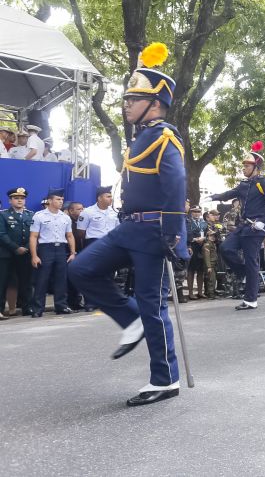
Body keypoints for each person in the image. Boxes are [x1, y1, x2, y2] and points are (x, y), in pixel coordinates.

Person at [68, 42, 189, 406]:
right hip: (129, 228)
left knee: (152, 303)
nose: (126, 104)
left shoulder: (165, 137)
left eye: (134, 99)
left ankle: (165, 379)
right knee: (82, 269)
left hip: (153, 232)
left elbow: (175, 187)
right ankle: (130, 320)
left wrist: (174, 237)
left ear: (155, 103)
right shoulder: (142, 137)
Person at [208, 140, 265, 311]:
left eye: (247, 166)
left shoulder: (263, 182)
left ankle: (251, 299)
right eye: (243, 166)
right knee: (226, 248)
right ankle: (244, 275)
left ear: (256, 167)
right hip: (243, 226)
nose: (243, 168)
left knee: (251, 261)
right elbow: (229, 193)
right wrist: (213, 197)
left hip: (256, 227)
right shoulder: (244, 184)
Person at [29, 188, 76, 316]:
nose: (61, 202)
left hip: (61, 248)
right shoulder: (39, 216)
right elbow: (33, 237)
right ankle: (38, 309)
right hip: (45, 249)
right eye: (58, 199)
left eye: (62, 199)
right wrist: (34, 255)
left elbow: (70, 236)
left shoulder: (65, 217)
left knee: (61, 279)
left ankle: (61, 306)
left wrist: (72, 252)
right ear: (49, 201)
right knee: (42, 279)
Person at [0, 187, 34, 318]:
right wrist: (15, 247)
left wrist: (25, 247)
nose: (20, 201)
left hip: (25, 253)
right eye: (16, 198)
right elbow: (2, 234)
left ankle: (27, 307)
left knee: (26, 282)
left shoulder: (31, 214)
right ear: (10, 201)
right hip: (6, 253)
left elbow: (34, 234)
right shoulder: (3, 214)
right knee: (2, 282)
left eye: (22, 198)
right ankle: (1, 309)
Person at [66, 201, 86, 310]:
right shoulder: (67, 221)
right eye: (79, 209)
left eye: (82, 208)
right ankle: (70, 302)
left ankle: (77, 302)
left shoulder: (83, 222)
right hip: (70, 254)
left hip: (82, 253)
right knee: (70, 280)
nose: (82, 211)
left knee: (79, 279)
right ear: (71, 211)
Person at [185, 206, 207, 299]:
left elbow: (207, 233)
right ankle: (190, 293)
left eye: (198, 212)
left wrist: (204, 238)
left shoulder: (204, 223)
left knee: (201, 270)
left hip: (202, 247)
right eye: (194, 212)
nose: (196, 213)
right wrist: (194, 239)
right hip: (192, 246)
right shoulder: (187, 222)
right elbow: (185, 233)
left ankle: (200, 292)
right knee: (191, 270)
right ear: (191, 212)